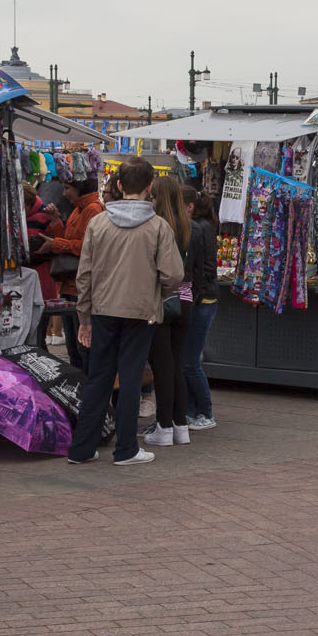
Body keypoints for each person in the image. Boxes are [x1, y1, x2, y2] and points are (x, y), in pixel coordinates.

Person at [69, 159, 184, 465]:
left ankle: (82, 448)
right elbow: (173, 275)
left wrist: (84, 315)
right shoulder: (158, 226)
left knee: (98, 378)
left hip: (103, 309)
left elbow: (85, 274)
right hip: (140, 310)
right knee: (132, 377)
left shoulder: (99, 223)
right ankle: (126, 449)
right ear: (150, 188)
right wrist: (155, 293)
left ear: (119, 185)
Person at [141, 175, 195, 448]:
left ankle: (164, 426)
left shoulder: (155, 228)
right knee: (176, 364)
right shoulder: (190, 228)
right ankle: (180, 425)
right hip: (185, 300)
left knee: (162, 367)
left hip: (161, 300)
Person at [183, 193, 221, 428]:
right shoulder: (203, 227)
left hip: (203, 300)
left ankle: (205, 412)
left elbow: (205, 267)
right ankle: (191, 410)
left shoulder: (202, 228)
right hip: (201, 297)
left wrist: (196, 295)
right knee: (188, 360)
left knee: (190, 360)